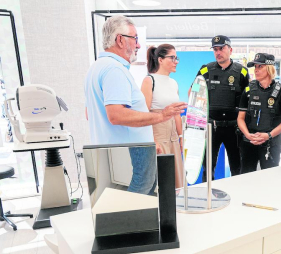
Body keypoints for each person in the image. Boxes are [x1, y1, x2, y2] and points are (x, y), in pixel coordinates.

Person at [84, 15, 186, 195]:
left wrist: (149, 140)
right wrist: (161, 116)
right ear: (120, 40)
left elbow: (89, 113)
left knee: (137, 193)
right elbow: (116, 115)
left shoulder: (98, 67)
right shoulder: (114, 70)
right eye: (135, 39)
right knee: (137, 194)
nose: (138, 45)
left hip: (119, 151)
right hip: (129, 152)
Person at [192, 35, 250, 181]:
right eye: (215, 49)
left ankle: (237, 197)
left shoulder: (241, 72)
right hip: (212, 127)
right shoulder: (205, 70)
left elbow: (248, 99)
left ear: (230, 50)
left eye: (221, 49)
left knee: (237, 167)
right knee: (208, 167)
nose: (218, 52)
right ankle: (208, 199)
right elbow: (193, 93)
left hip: (234, 128)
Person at [237, 53, 281, 173]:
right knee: (246, 179)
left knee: (269, 181)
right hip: (249, 142)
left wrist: (268, 135)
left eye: (260, 67)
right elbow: (240, 118)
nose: (256, 70)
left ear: (270, 68)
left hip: (271, 144)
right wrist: (247, 134)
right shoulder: (248, 90)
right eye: (255, 67)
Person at [141, 44, 184, 189]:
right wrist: (153, 141)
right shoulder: (149, 81)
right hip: (158, 136)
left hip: (173, 138)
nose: (176, 61)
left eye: (176, 58)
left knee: (177, 182)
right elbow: (144, 114)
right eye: (172, 57)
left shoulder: (174, 83)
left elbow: (177, 114)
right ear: (160, 59)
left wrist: (181, 137)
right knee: (162, 182)